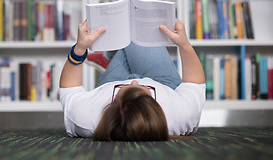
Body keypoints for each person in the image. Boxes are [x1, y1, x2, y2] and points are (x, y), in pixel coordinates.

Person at [59, 19, 205, 141]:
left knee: (125, 30)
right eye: (143, 90)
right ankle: (108, 57)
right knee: (135, 30)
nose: (135, 82)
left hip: (109, 83)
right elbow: (195, 82)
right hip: (163, 83)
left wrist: (79, 49)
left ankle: (107, 58)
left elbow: (69, 87)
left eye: (126, 88)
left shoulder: (86, 118)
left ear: (109, 106)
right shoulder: (181, 114)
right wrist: (184, 44)